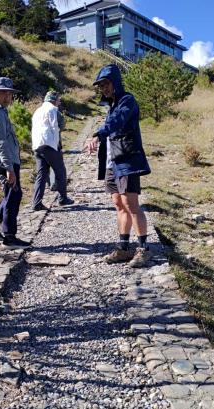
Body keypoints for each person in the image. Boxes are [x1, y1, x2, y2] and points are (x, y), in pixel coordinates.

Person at [84, 64, 151, 268]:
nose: (103, 88)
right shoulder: (112, 105)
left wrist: (97, 134)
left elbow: (116, 122)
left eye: (106, 83)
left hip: (127, 160)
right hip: (112, 163)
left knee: (131, 204)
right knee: (118, 204)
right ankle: (123, 247)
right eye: (100, 85)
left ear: (116, 82)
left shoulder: (127, 100)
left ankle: (143, 249)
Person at [0, 77, 31, 249]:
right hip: (4, 162)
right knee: (13, 197)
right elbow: (1, 143)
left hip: (6, 160)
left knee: (13, 195)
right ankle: (9, 237)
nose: (8, 96)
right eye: (4, 92)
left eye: (10, 93)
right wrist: (9, 168)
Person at [31, 91, 74, 210]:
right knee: (60, 171)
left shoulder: (37, 111)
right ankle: (62, 198)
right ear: (54, 100)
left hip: (37, 145)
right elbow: (61, 124)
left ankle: (36, 202)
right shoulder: (54, 110)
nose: (59, 102)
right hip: (49, 144)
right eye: (58, 100)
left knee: (41, 174)